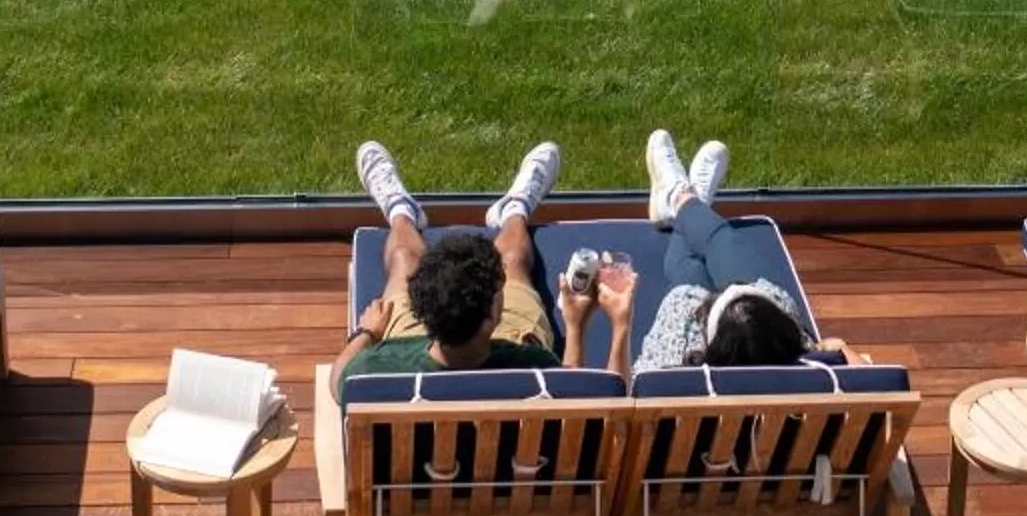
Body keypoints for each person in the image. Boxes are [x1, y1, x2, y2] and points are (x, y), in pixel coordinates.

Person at [339, 140, 601, 378]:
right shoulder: (532, 364)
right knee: (511, 258)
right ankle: (514, 209)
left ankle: (400, 210)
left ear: (422, 313)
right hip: (513, 336)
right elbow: (570, 392)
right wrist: (575, 325)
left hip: (409, 341)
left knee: (403, 257)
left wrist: (368, 332)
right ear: (492, 317)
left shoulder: (379, 369)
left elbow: (337, 379)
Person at [631, 130, 816, 371]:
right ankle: (688, 200)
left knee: (694, 271)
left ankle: (681, 197)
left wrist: (621, 325)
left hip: (688, 337)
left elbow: (634, 384)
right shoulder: (808, 364)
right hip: (765, 343)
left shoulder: (673, 360)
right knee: (715, 249)